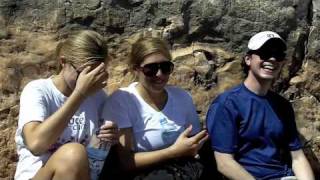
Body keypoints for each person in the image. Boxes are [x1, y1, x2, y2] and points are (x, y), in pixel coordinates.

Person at [206, 31, 315, 180]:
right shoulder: (227, 104)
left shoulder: (282, 105)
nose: (272, 59)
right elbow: (224, 163)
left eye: (278, 55)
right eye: (265, 53)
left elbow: (297, 157)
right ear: (248, 59)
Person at [14, 30, 119, 180]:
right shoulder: (38, 90)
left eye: (97, 74)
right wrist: (79, 94)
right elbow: (36, 145)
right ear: (63, 62)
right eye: (84, 73)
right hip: (37, 175)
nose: (90, 81)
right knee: (73, 154)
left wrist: (112, 138)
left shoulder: (98, 97)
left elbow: (97, 154)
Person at [102, 37, 209, 179]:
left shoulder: (182, 97)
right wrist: (173, 152)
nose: (159, 75)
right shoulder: (122, 101)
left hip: (182, 169)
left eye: (165, 68)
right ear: (135, 69)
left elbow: (194, 140)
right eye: (150, 69)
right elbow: (125, 162)